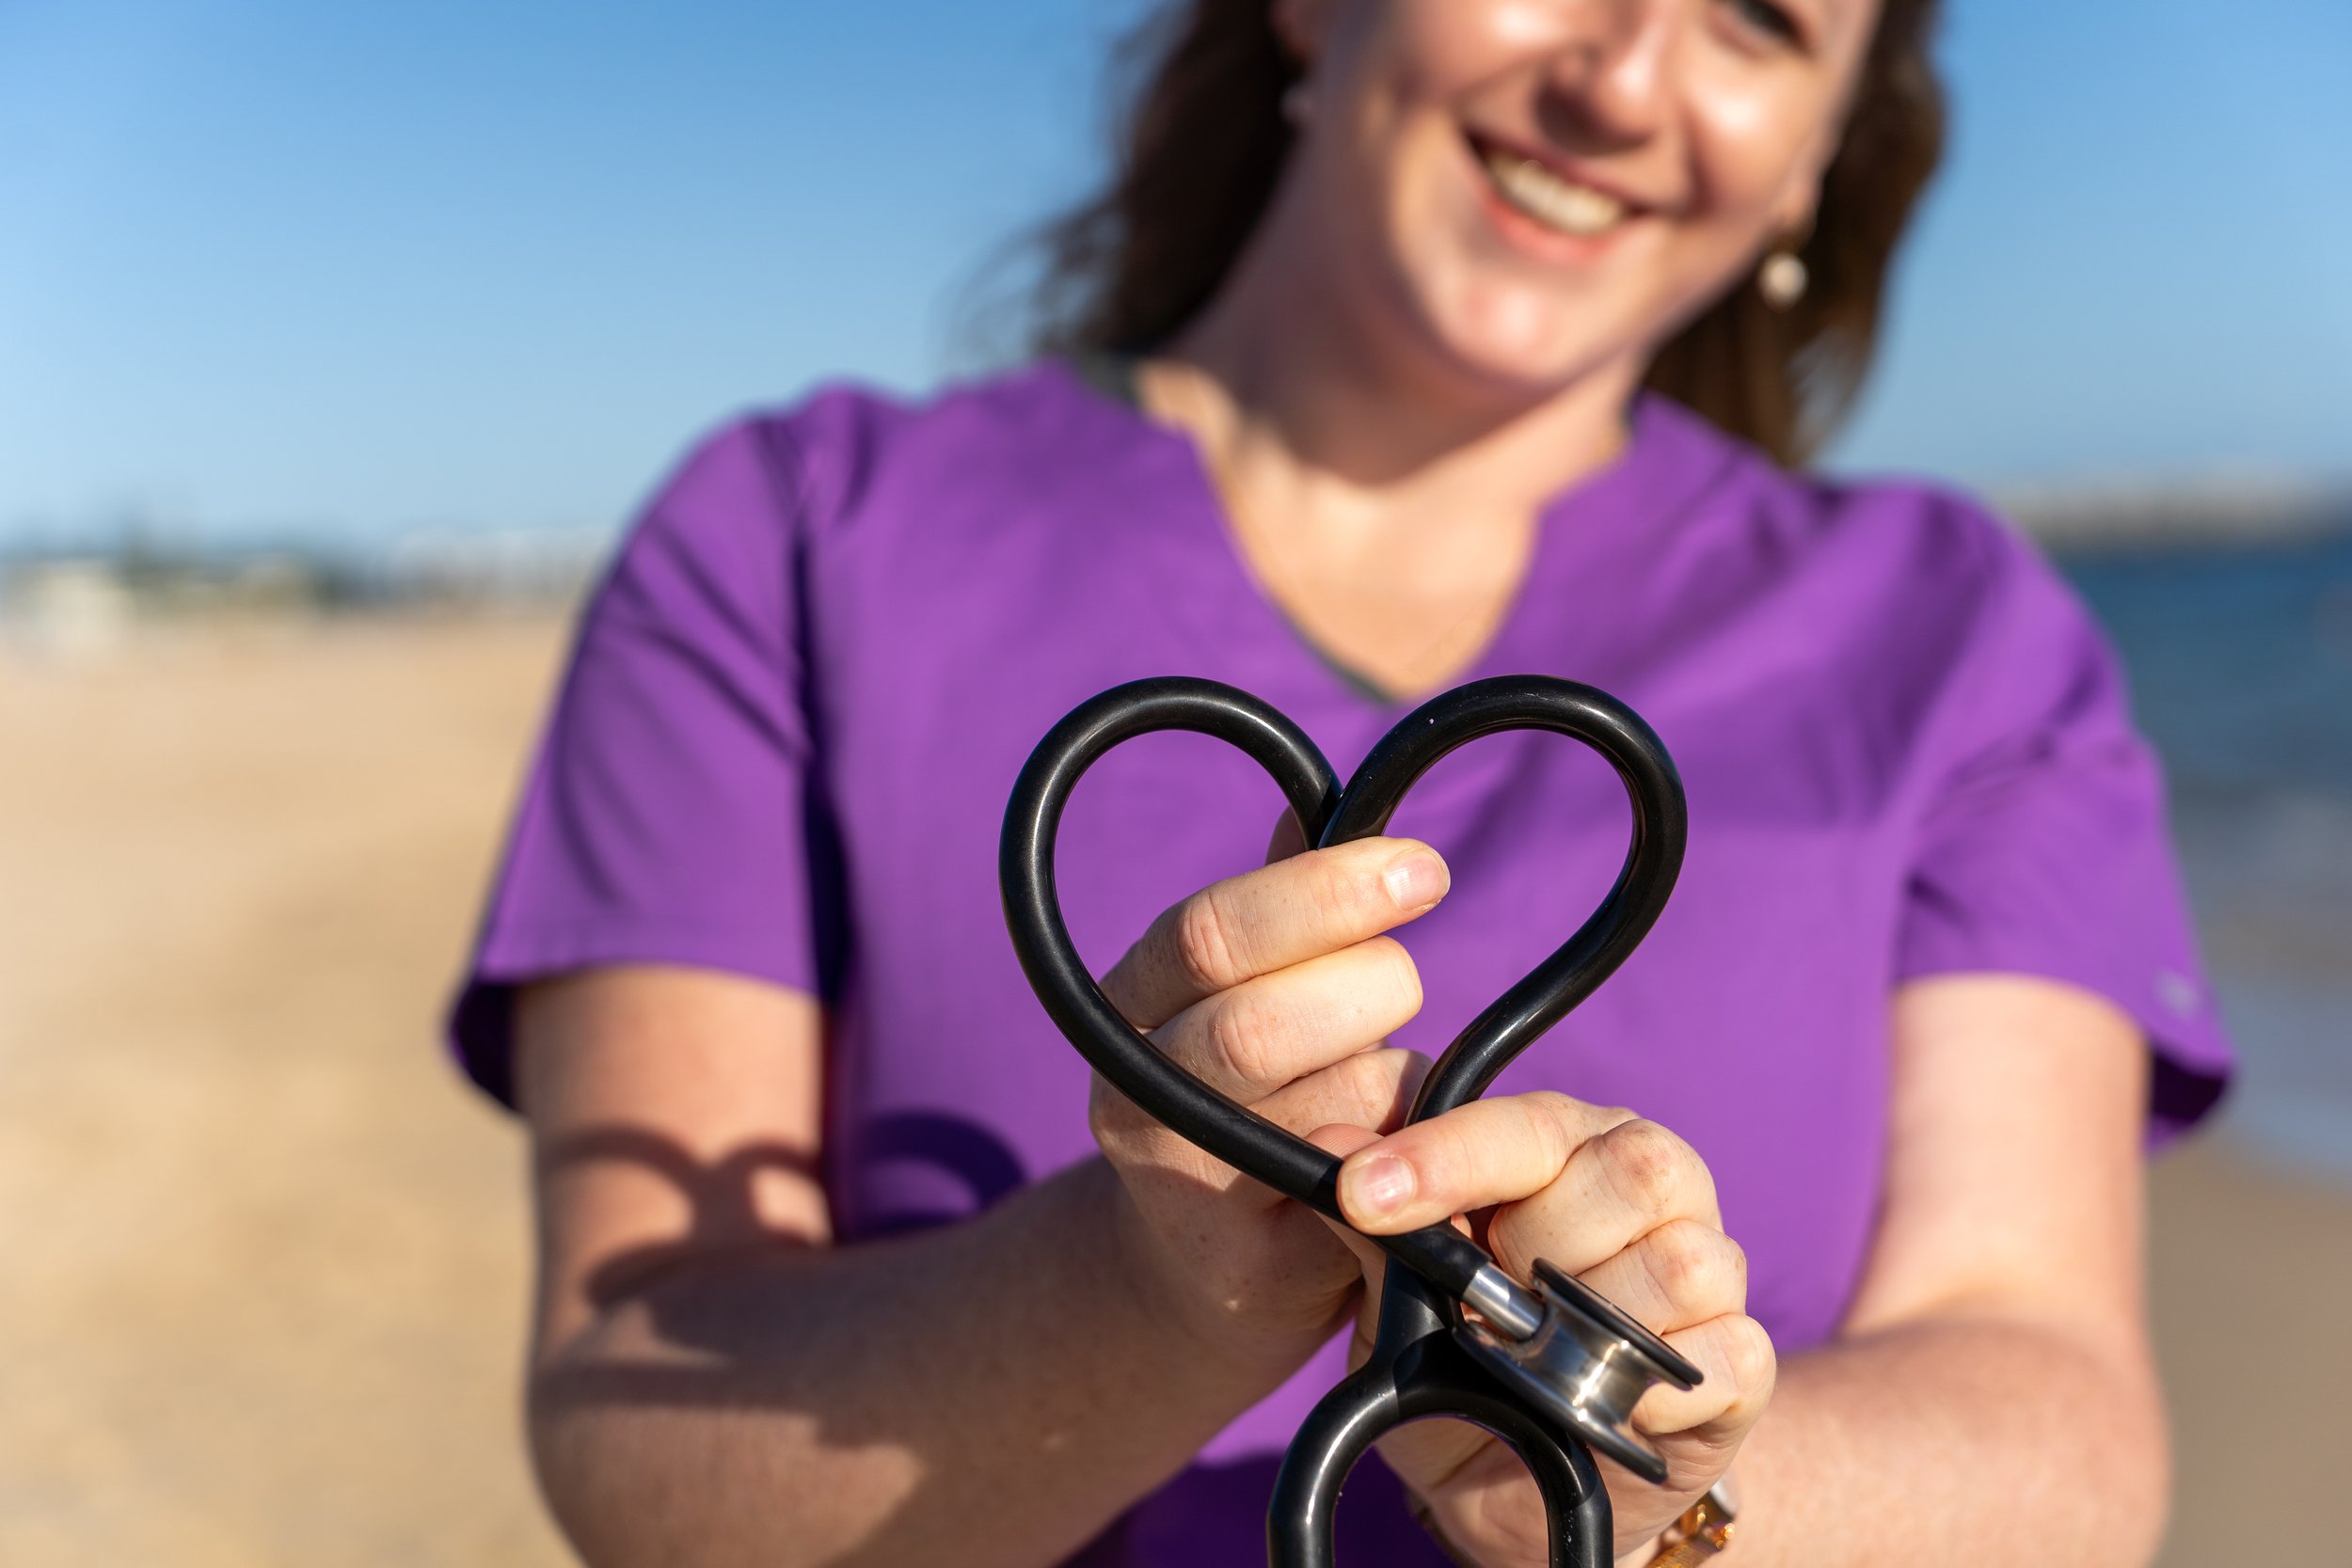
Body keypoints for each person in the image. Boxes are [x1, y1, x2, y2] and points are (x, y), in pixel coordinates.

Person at [446, 1, 2233, 1563]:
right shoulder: (789, 539)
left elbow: (2056, 1414)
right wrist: (1149, 1279)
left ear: (1815, 161)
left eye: (1759, 17)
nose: (1623, 77)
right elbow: (643, 1442)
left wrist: (1629, 1486)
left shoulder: (1954, 636)